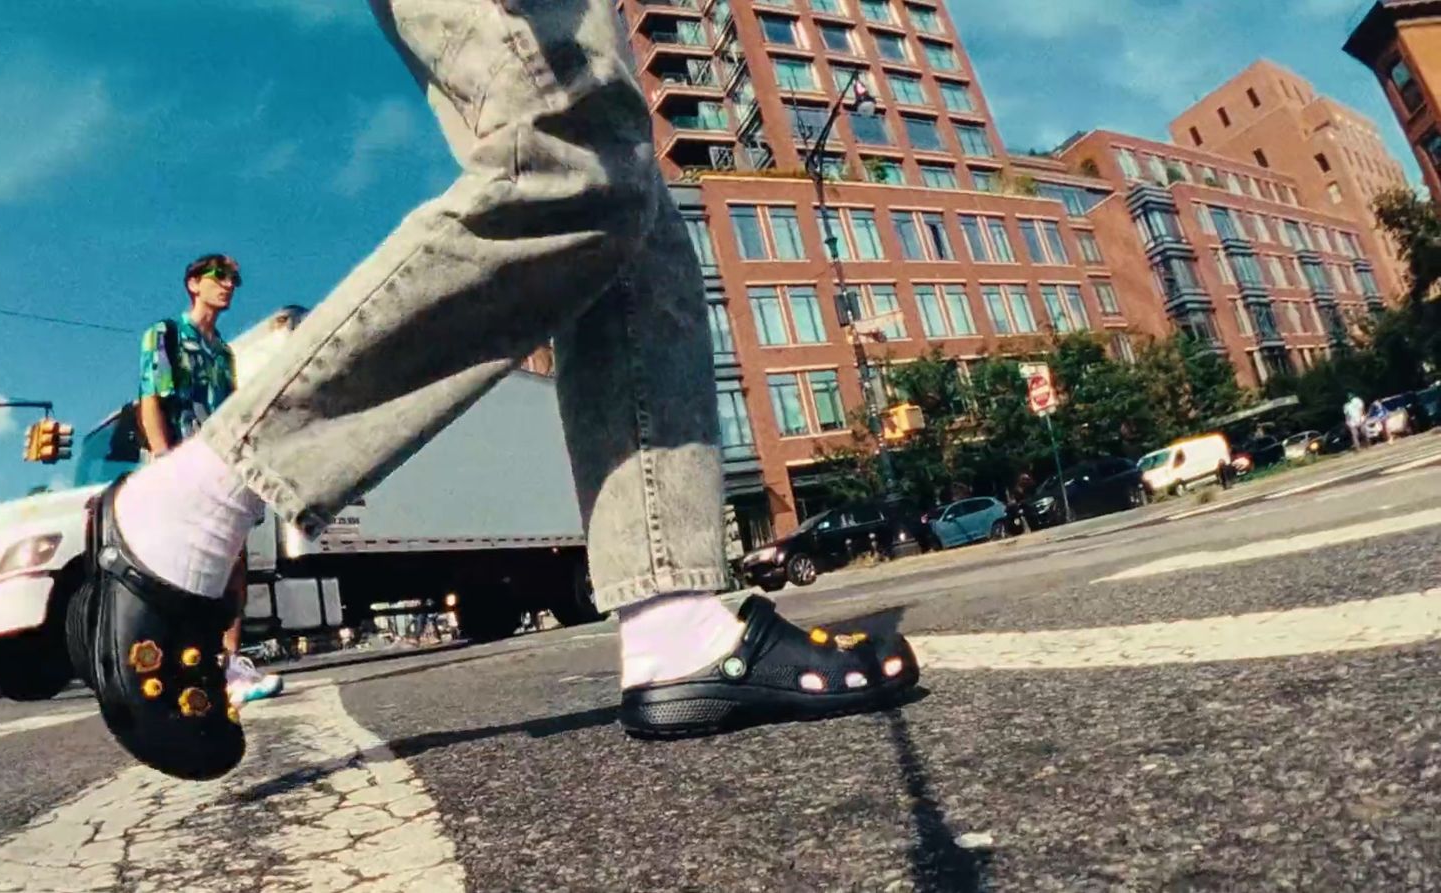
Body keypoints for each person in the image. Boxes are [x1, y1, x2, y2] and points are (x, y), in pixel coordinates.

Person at [80, 0, 918, 781]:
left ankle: (674, 620)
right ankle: (188, 501)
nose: (225, 284)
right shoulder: (170, 338)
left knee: (629, 210)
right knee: (571, 152)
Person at [134, 253, 283, 711]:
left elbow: (231, 413)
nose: (230, 286)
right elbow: (150, 399)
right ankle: (177, 664)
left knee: (233, 562)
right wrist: (163, 461)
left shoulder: (224, 353)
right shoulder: (166, 334)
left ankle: (231, 664)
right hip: (179, 465)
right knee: (183, 567)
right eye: (220, 277)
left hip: (222, 467)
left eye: (235, 279)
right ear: (194, 283)